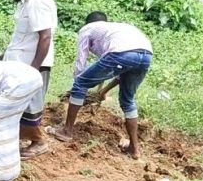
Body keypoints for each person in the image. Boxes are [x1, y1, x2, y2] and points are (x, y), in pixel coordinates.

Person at [47, 13, 153, 159]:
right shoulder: (114, 30)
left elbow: (81, 59)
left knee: (80, 83)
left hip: (122, 53)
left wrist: (77, 85)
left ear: (88, 22)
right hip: (146, 54)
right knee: (128, 101)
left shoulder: (87, 29)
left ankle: (66, 131)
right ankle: (134, 150)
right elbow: (119, 74)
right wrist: (103, 91)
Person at [3, 0, 56, 159]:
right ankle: (14, 138)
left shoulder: (37, 0)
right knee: (18, 102)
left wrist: (33, 69)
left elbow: (45, 37)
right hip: (19, 62)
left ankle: (39, 142)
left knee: (31, 105)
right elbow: (23, 36)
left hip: (32, 64)